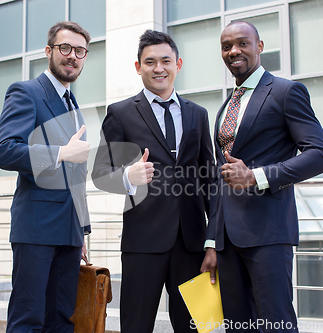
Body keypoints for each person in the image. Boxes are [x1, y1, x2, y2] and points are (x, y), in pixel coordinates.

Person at [200, 21, 323, 333]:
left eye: (242, 43)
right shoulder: (226, 106)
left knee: (276, 324)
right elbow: (223, 178)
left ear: (259, 46)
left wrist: (257, 176)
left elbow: (320, 155)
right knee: (238, 326)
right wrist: (211, 242)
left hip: (269, 234)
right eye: (227, 46)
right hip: (228, 241)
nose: (234, 51)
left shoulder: (286, 92)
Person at [92, 30, 215, 333]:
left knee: (199, 326)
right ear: (138, 67)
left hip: (193, 243)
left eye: (165, 61)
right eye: (150, 62)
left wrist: (214, 241)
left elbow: (210, 179)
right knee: (136, 326)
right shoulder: (119, 113)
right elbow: (100, 174)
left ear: (178, 64)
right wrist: (127, 177)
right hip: (143, 242)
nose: (158, 68)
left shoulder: (198, 114)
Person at [0, 21, 92, 333]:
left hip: (69, 232)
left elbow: (76, 175)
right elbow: (5, 151)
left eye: (80, 51)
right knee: (28, 321)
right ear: (49, 51)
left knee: (62, 321)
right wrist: (60, 152)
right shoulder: (26, 92)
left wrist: (83, 229)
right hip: (36, 229)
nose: (72, 56)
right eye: (65, 48)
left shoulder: (72, 103)